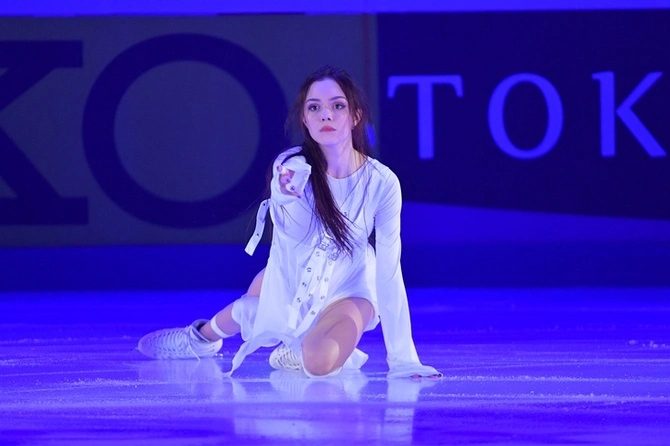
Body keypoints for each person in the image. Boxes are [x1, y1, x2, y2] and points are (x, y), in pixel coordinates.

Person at [138, 65, 441, 379]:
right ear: (305, 119)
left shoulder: (382, 182)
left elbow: (389, 271)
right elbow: (292, 230)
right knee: (255, 300)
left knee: (319, 363)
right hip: (293, 280)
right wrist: (284, 194)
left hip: (350, 287)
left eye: (338, 106)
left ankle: (293, 343)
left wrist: (404, 360)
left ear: (355, 116)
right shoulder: (292, 166)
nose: (326, 115)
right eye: (314, 107)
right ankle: (201, 338)